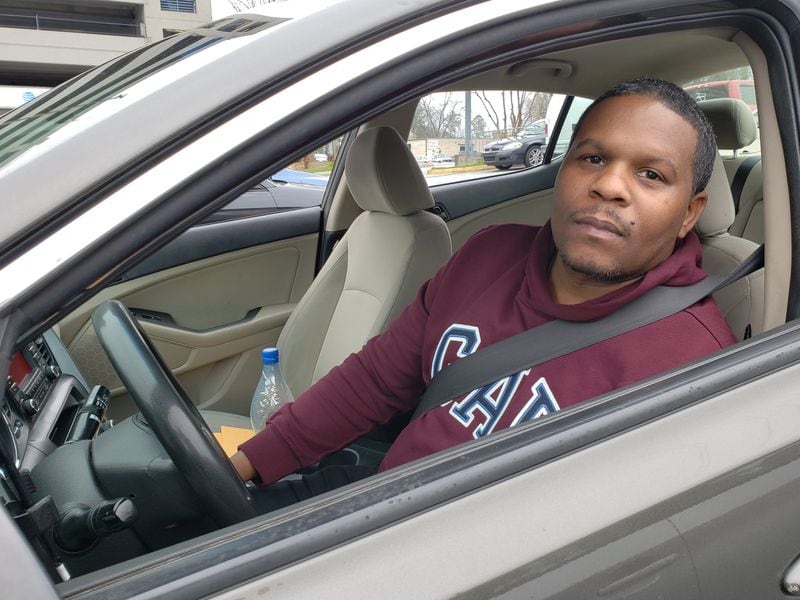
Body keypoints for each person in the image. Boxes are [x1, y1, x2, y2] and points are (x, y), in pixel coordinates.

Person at [231, 78, 737, 507]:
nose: (610, 186)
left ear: (689, 213)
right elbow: (376, 380)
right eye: (593, 158)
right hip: (380, 500)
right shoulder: (487, 257)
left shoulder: (691, 357)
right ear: (562, 173)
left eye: (651, 175)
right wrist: (251, 463)